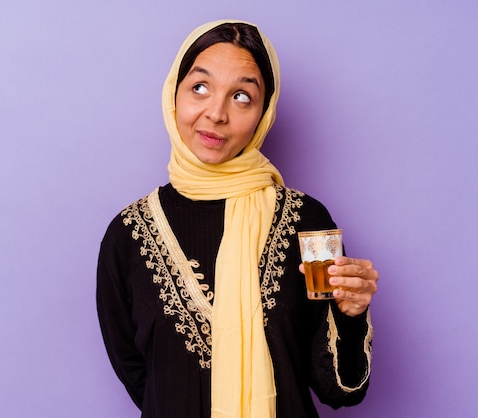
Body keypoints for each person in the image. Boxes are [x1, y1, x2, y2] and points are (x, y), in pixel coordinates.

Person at [97, 19, 379, 418]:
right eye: (199, 87)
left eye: (242, 96)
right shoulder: (127, 235)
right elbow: (140, 377)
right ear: (173, 95)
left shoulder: (309, 223)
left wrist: (351, 316)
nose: (216, 114)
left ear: (264, 112)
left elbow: (339, 389)